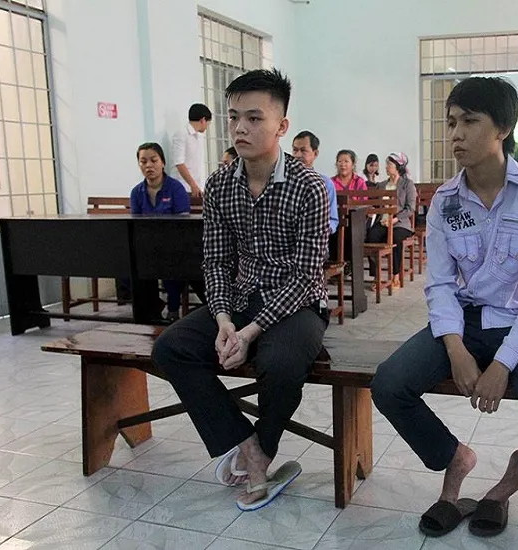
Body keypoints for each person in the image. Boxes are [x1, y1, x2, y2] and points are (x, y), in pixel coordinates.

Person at [371, 76, 518, 539]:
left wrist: (502, 364)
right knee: (389, 384)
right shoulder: (445, 202)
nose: (456, 134)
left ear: (502, 128)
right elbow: (440, 285)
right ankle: (455, 458)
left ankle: (507, 484)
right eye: (451, 123)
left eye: (469, 121)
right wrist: (455, 348)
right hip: (464, 321)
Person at [152, 68, 330, 511]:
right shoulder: (219, 185)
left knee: (281, 362)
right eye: (234, 117)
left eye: (254, 118)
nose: (240, 128)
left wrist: (251, 332)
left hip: (298, 303)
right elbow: (215, 261)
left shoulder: (309, 187)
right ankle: (247, 446)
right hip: (241, 297)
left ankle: (262, 452)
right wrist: (224, 320)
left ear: (281, 126)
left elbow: (306, 275)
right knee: (171, 348)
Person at [129, 142, 192, 321]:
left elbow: (183, 223)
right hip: (148, 246)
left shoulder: (175, 188)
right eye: (143, 162)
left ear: (162, 162)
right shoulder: (137, 192)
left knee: (169, 263)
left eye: (153, 160)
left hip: (174, 244)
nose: (148, 165)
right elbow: (135, 224)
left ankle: (173, 308)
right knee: (130, 267)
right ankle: (149, 311)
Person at [365, 152, 417, 289]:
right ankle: (376, 277)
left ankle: (395, 275)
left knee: (395, 238)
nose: (386, 167)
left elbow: (410, 208)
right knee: (371, 237)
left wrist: (395, 219)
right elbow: (375, 205)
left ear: (398, 167)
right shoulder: (381, 185)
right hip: (383, 222)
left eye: (389, 164)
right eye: (387, 164)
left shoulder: (407, 184)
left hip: (400, 223)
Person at [292, 130, 339, 234]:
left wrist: (321, 231)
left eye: (303, 151)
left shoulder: (325, 183)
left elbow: (333, 220)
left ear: (315, 153)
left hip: (315, 236)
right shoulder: (284, 179)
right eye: (295, 150)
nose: (297, 155)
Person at [171, 103, 212, 198]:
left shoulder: (199, 136)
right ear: (203, 120)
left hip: (197, 188)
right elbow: (179, 163)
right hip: (183, 187)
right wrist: (192, 185)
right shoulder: (181, 134)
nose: (207, 126)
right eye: (208, 123)